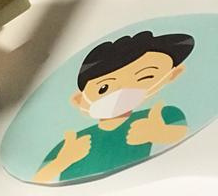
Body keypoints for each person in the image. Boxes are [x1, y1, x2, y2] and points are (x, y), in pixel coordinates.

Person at [34, 30, 193, 183]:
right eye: (103, 88)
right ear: (79, 100)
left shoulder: (161, 116)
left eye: (145, 77)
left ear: (173, 74)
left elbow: (182, 134)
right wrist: (62, 161)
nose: (122, 92)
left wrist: (160, 133)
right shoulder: (72, 143)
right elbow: (40, 176)